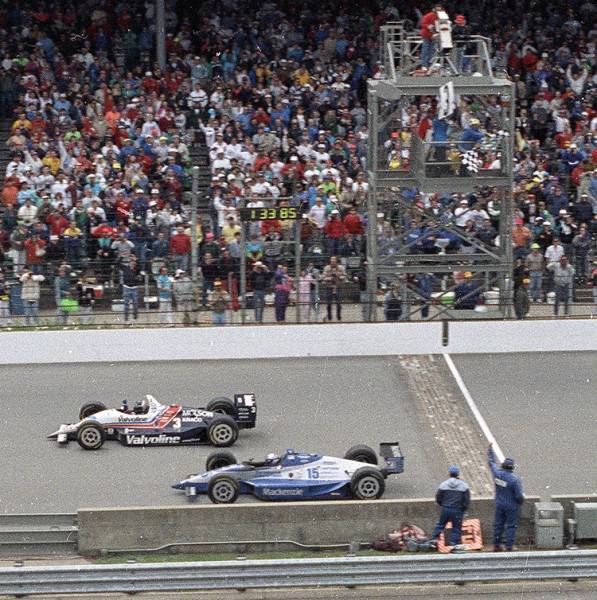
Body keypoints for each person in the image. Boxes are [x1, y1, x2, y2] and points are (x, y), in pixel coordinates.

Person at [487, 445, 524, 552]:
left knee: (498, 525)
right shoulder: (514, 480)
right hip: (511, 506)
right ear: (512, 468)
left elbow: (491, 463)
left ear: (503, 466)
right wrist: (520, 502)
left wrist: (490, 451)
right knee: (511, 526)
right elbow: (518, 496)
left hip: (499, 504)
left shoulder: (497, 474)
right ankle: (509, 546)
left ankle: (496, 545)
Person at [429, 465, 470, 549]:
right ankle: (453, 544)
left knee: (441, 524)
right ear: (458, 474)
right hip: (457, 509)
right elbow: (466, 500)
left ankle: (434, 539)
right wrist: (463, 508)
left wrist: (443, 504)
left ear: (449, 473)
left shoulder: (443, 484)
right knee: (456, 528)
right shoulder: (464, 486)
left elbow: (438, 497)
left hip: (446, 508)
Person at [322, 256, 347, 321]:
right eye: (331, 261)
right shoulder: (327, 268)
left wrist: (339, 276)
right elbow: (323, 277)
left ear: (336, 261)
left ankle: (339, 317)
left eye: (334, 261)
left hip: (338, 287)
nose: (332, 262)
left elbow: (344, 276)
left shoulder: (341, 268)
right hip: (329, 287)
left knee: (339, 303)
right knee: (328, 304)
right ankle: (330, 317)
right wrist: (329, 278)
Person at [120, 254, 143, 323]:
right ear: (129, 263)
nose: (133, 263)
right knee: (126, 304)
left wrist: (136, 259)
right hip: (126, 287)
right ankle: (126, 319)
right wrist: (122, 256)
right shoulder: (125, 268)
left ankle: (135, 319)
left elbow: (141, 267)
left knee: (135, 304)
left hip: (135, 288)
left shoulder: (137, 269)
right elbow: (117, 263)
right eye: (131, 262)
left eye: (134, 262)